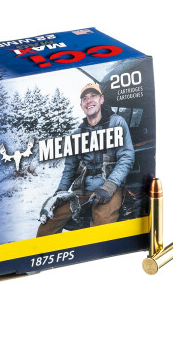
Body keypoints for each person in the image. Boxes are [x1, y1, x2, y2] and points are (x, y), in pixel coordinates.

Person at [36, 82, 134, 236]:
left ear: (101, 99)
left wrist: (109, 186)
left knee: (100, 233)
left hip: (109, 188)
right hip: (80, 191)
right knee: (47, 224)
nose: (89, 100)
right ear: (81, 105)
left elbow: (126, 158)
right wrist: (60, 193)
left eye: (93, 96)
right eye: (85, 98)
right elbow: (69, 168)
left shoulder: (117, 123)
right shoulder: (76, 134)